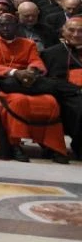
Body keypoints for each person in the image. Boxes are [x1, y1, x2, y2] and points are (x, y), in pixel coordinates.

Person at [0, 12, 69, 162]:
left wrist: (32, 71)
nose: (6, 28)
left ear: (17, 26)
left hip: (29, 81)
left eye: (10, 24)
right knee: (18, 102)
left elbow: (36, 61)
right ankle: (15, 144)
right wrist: (16, 73)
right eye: (1, 25)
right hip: (5, 82)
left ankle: (51, 146)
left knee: (50, 102)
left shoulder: (28, 43)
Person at [40, 17, 82, 160]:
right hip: (67, 96)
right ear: (63, 32)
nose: (76, 34)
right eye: (72, 30)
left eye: (81, 31)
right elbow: (51, 81)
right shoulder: (51, 53)